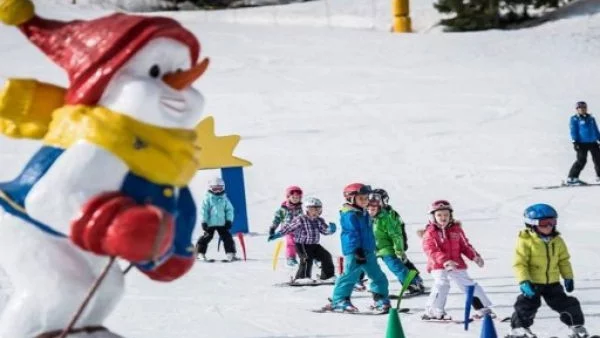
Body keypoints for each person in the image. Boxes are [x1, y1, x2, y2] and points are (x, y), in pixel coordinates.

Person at [506, 204, 589, 338]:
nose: (549, 226)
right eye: (544, 223)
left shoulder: (558, 241)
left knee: (568, 304)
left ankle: (577, 327)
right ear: (531, 224)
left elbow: (563, 260)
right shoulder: (525, 241)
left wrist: (568, 277)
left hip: (552, 282)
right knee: (526, 305)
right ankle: (518, 329)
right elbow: (519, 263)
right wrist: (524, 281)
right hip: (533, 283)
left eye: (552, 222)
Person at [321, 183, 391, 313]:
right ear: (350, 198)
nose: (365, 201)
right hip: (355, 251)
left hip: (368, 250)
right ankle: (339, 300)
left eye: (366, 198)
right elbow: (351, 233)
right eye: (361, 199)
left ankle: (380, 298)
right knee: (350, 276)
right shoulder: (349, 214)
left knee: (378, 275)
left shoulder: (363, 212)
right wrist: (356, 250)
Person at [421, 200, 493, 320]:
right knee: (442, 284)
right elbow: (431, 250)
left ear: (450, 216)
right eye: (439, 215)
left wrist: (474, 256)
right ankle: (433, 311)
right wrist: (445, 261)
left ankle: (483, 308)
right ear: (433, 217)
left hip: (456, 263)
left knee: (469, 284)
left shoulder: (456, 230)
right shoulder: (430, 233)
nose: (443, 218)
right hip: (438, 264)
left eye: (446, 215)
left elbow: (465, 245)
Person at [367, 191, 425, 296]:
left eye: (373, 209)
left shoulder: (387, 217)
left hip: (387, 248)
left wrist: (399, 249)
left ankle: (413, 284)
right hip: (374, 249)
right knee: (362, 266)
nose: (370, 211)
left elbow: (396, 235)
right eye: (368, 209)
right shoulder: (368, 218)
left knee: (397, 267)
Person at [269, 197, 336, 283]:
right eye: (312, 210)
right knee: (307, 258)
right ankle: (302, 278)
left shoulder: (319, 220)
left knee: (326, 256)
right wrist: (278, 234)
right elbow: (289, 228)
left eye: (317, 210)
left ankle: (328, 276)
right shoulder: (300, 219)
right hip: (302, 245)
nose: (315, 212)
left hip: (314, 245)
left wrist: (330, 230)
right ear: (306, 210)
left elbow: (324, 231)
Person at [196, 177, 236, 261]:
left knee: (227, 238)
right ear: (210, 188)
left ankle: (230, 253)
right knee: (206, 237)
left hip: (222, 224)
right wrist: (204, 221)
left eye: (219, 189)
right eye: (215, 189)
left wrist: (229, 220)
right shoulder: (207, 199)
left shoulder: (224, 199)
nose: (218, 191)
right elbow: (204, 211)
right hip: (210, 224)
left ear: (223, 188)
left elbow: (230, 210)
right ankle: (200, 253)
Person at [567, 101, 600, 184]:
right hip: (581, 143)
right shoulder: (574, 119)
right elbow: (573, 131)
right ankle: (572, 178)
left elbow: (595, 130)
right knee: (581, 160)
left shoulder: (591, 118)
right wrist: (575, 142)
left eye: (584, 107)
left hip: (593, 142)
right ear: (577, 109)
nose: (582, 109)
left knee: (598, 160)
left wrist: (599, 138)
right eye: (580, 108)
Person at [269, 186, 303, 266]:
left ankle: (308, 256)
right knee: (290, 243)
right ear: (288, 197)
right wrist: (273, 227)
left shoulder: (301, 207)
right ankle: (291, 258)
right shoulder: (283, 209)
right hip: (288, 230)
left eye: (297, 197)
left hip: (299, 230)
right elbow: (277, 219)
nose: (295, 199)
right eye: (293, 197)